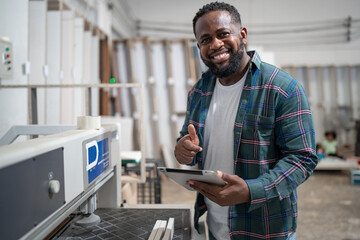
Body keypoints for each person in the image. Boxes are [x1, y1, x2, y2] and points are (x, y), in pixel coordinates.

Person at [174, 2, 318, 240]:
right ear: (199, 46)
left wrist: (252, 190)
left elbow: (303, 159)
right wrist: (183, 150)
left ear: (242, 34)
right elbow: (188, 141)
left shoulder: (282, 88)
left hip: (264, 228)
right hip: (215, 225)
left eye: (223, 34)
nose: (216, 44)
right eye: (206, 39)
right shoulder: (199, 91)